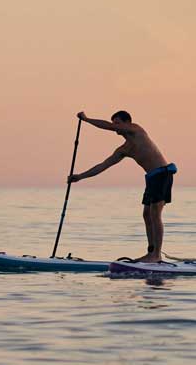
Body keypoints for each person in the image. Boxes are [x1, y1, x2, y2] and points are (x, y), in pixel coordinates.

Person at [67, 111, 177, 263]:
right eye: (113, 123)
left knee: (155, 213)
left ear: (127, 123)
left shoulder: (137, 130)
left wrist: (86, 120)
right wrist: (79, 176)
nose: (114, 126)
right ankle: (151, 252)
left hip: (162, 174)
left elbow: (107, 127)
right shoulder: (124, 149)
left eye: (117, 123)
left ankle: (156, 255)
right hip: (152, 178)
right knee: (146, 214)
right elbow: (103, 165)